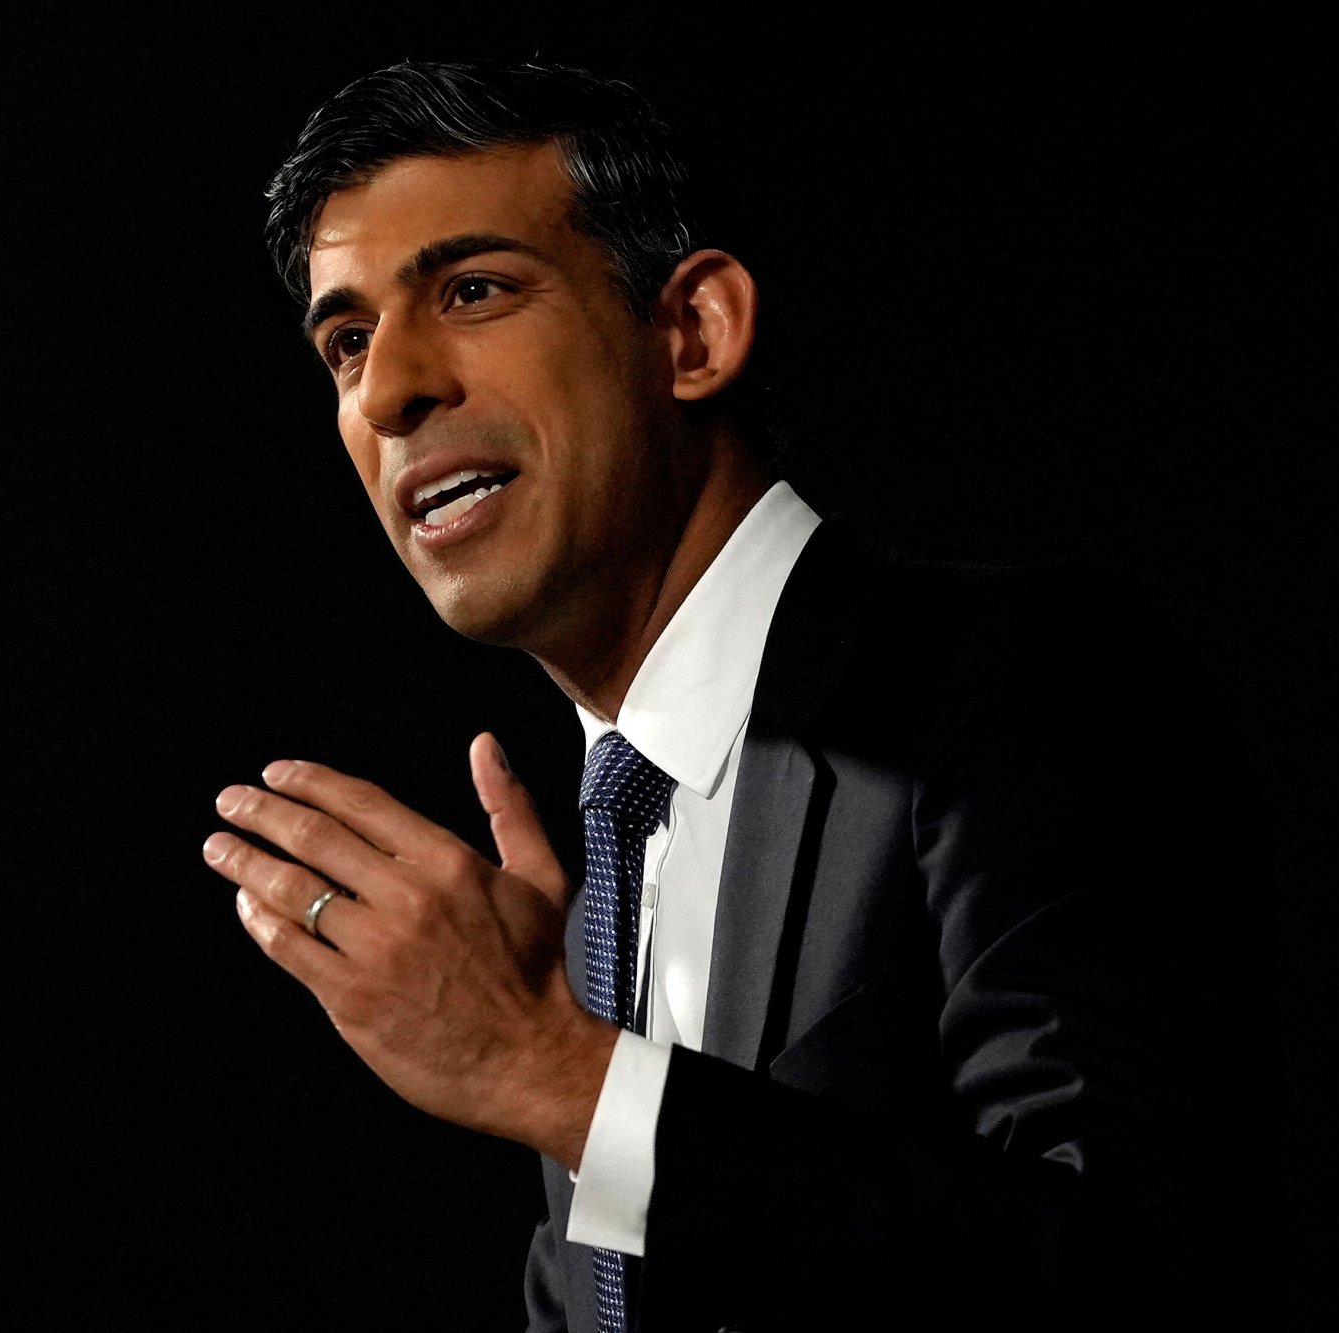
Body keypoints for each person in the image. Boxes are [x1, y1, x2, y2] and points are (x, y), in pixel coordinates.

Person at [201, 61, 1277, 1331]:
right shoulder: (584, 884)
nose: (388, 390)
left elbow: (1133, 1264)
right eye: (345, 342)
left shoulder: (1018, 679)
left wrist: (551, 1073)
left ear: (692, 332)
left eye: (472, 289)